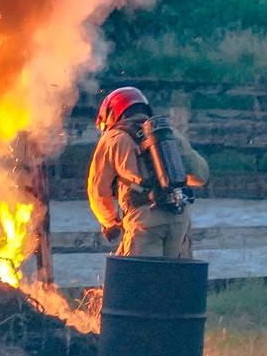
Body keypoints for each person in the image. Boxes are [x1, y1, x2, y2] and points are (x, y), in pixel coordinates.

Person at [87, 87, 209, 258]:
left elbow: (98, 192)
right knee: (174, 281)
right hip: (179, 218)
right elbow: (201, 175)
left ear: (112, 114)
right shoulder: (169, 134)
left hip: (144, 221)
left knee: (142, 281)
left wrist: (110, 222)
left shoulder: (113, 138)